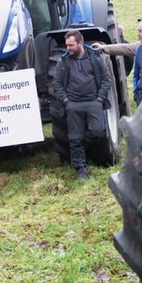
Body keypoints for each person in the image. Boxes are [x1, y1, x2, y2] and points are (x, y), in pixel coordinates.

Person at [53, 30, 111, 181]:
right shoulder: (63, 61)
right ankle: (81, 170)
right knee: (75, 137)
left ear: (80, 43)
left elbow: (106, 79)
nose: (68, 48)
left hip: (93, 102)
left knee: (98, 131)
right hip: (73, 104)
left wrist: (99, 99)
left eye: (71, 45)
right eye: (67, 45)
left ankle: (78, 151)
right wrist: (66, 101)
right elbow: (57, 84)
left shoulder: (95, 57)